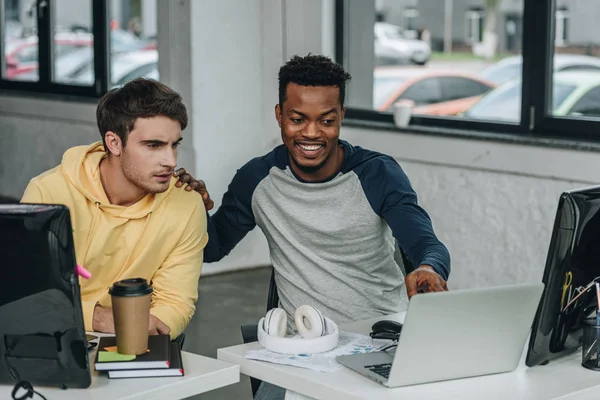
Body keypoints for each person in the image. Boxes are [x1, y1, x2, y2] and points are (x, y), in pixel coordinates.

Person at [178, 54, 450, 398]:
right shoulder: (257, 180)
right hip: (300, 346)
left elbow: (425, 242)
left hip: (380, 338)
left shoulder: (377, 174)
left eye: (326, 120)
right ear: (279, 115)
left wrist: (429, 266)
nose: (311, 132)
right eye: (297, 119)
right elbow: (212, 249)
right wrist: (189, 208)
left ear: (341, 116)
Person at [21, 78, 207, 340]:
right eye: (153, 145)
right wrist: (104, 319)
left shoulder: (187, 204)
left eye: (174, 144)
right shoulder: (48, 194)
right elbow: (29, 293)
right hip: (51, 340)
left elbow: (176, 302)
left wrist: (141, 331)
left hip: (138, 342)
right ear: (114, 143)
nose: (170, 160)